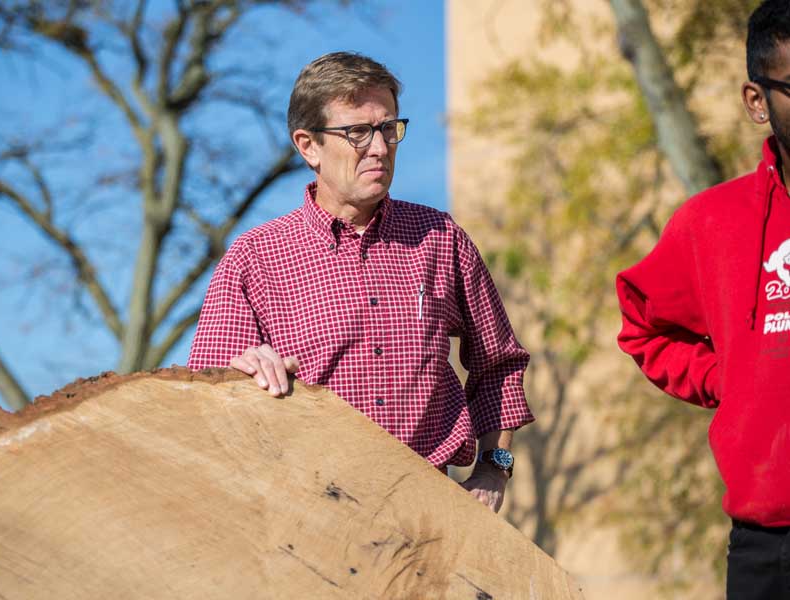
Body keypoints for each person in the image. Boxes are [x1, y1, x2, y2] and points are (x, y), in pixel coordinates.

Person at [188, 52, 534, 512]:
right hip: (302, 516)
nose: (380, 147)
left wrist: (495, 468)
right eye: (358, 132)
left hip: (430, 512)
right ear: (308, 145)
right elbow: (204, 400)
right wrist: (241, 372)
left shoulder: (440, 239)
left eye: (389, 129)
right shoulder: (254, 257)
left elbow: (498, 366)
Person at [615, 1, 790, 597]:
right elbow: (644, 326)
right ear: (757, 100)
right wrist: (731, 378)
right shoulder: (712, 222)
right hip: (769, 548)